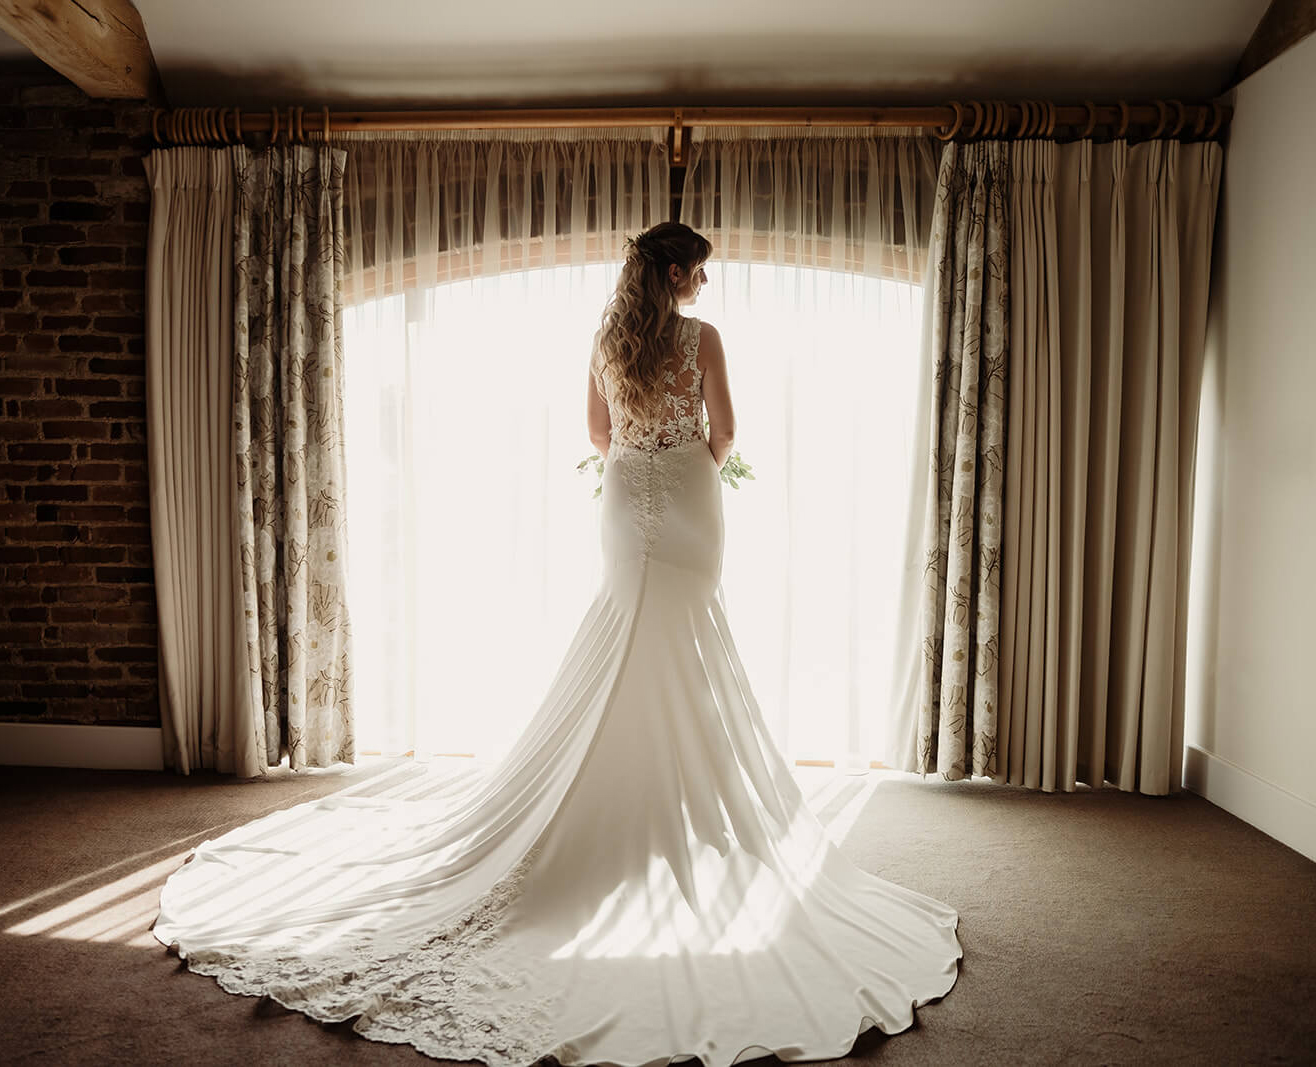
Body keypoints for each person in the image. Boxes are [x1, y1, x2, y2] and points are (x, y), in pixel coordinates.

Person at [153, 221, 963, 1067]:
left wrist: (641, 464)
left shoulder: (609, 339)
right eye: (702, 274)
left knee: (623, 635)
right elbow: (726, 433)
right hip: (690, 502)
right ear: (681, 272)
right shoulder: (703, 340)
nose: (706, 288)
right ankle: (661, 800)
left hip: (626, 502)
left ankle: (628, 793)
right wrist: (688, 465)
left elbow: (596, 433)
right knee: (682, 640)